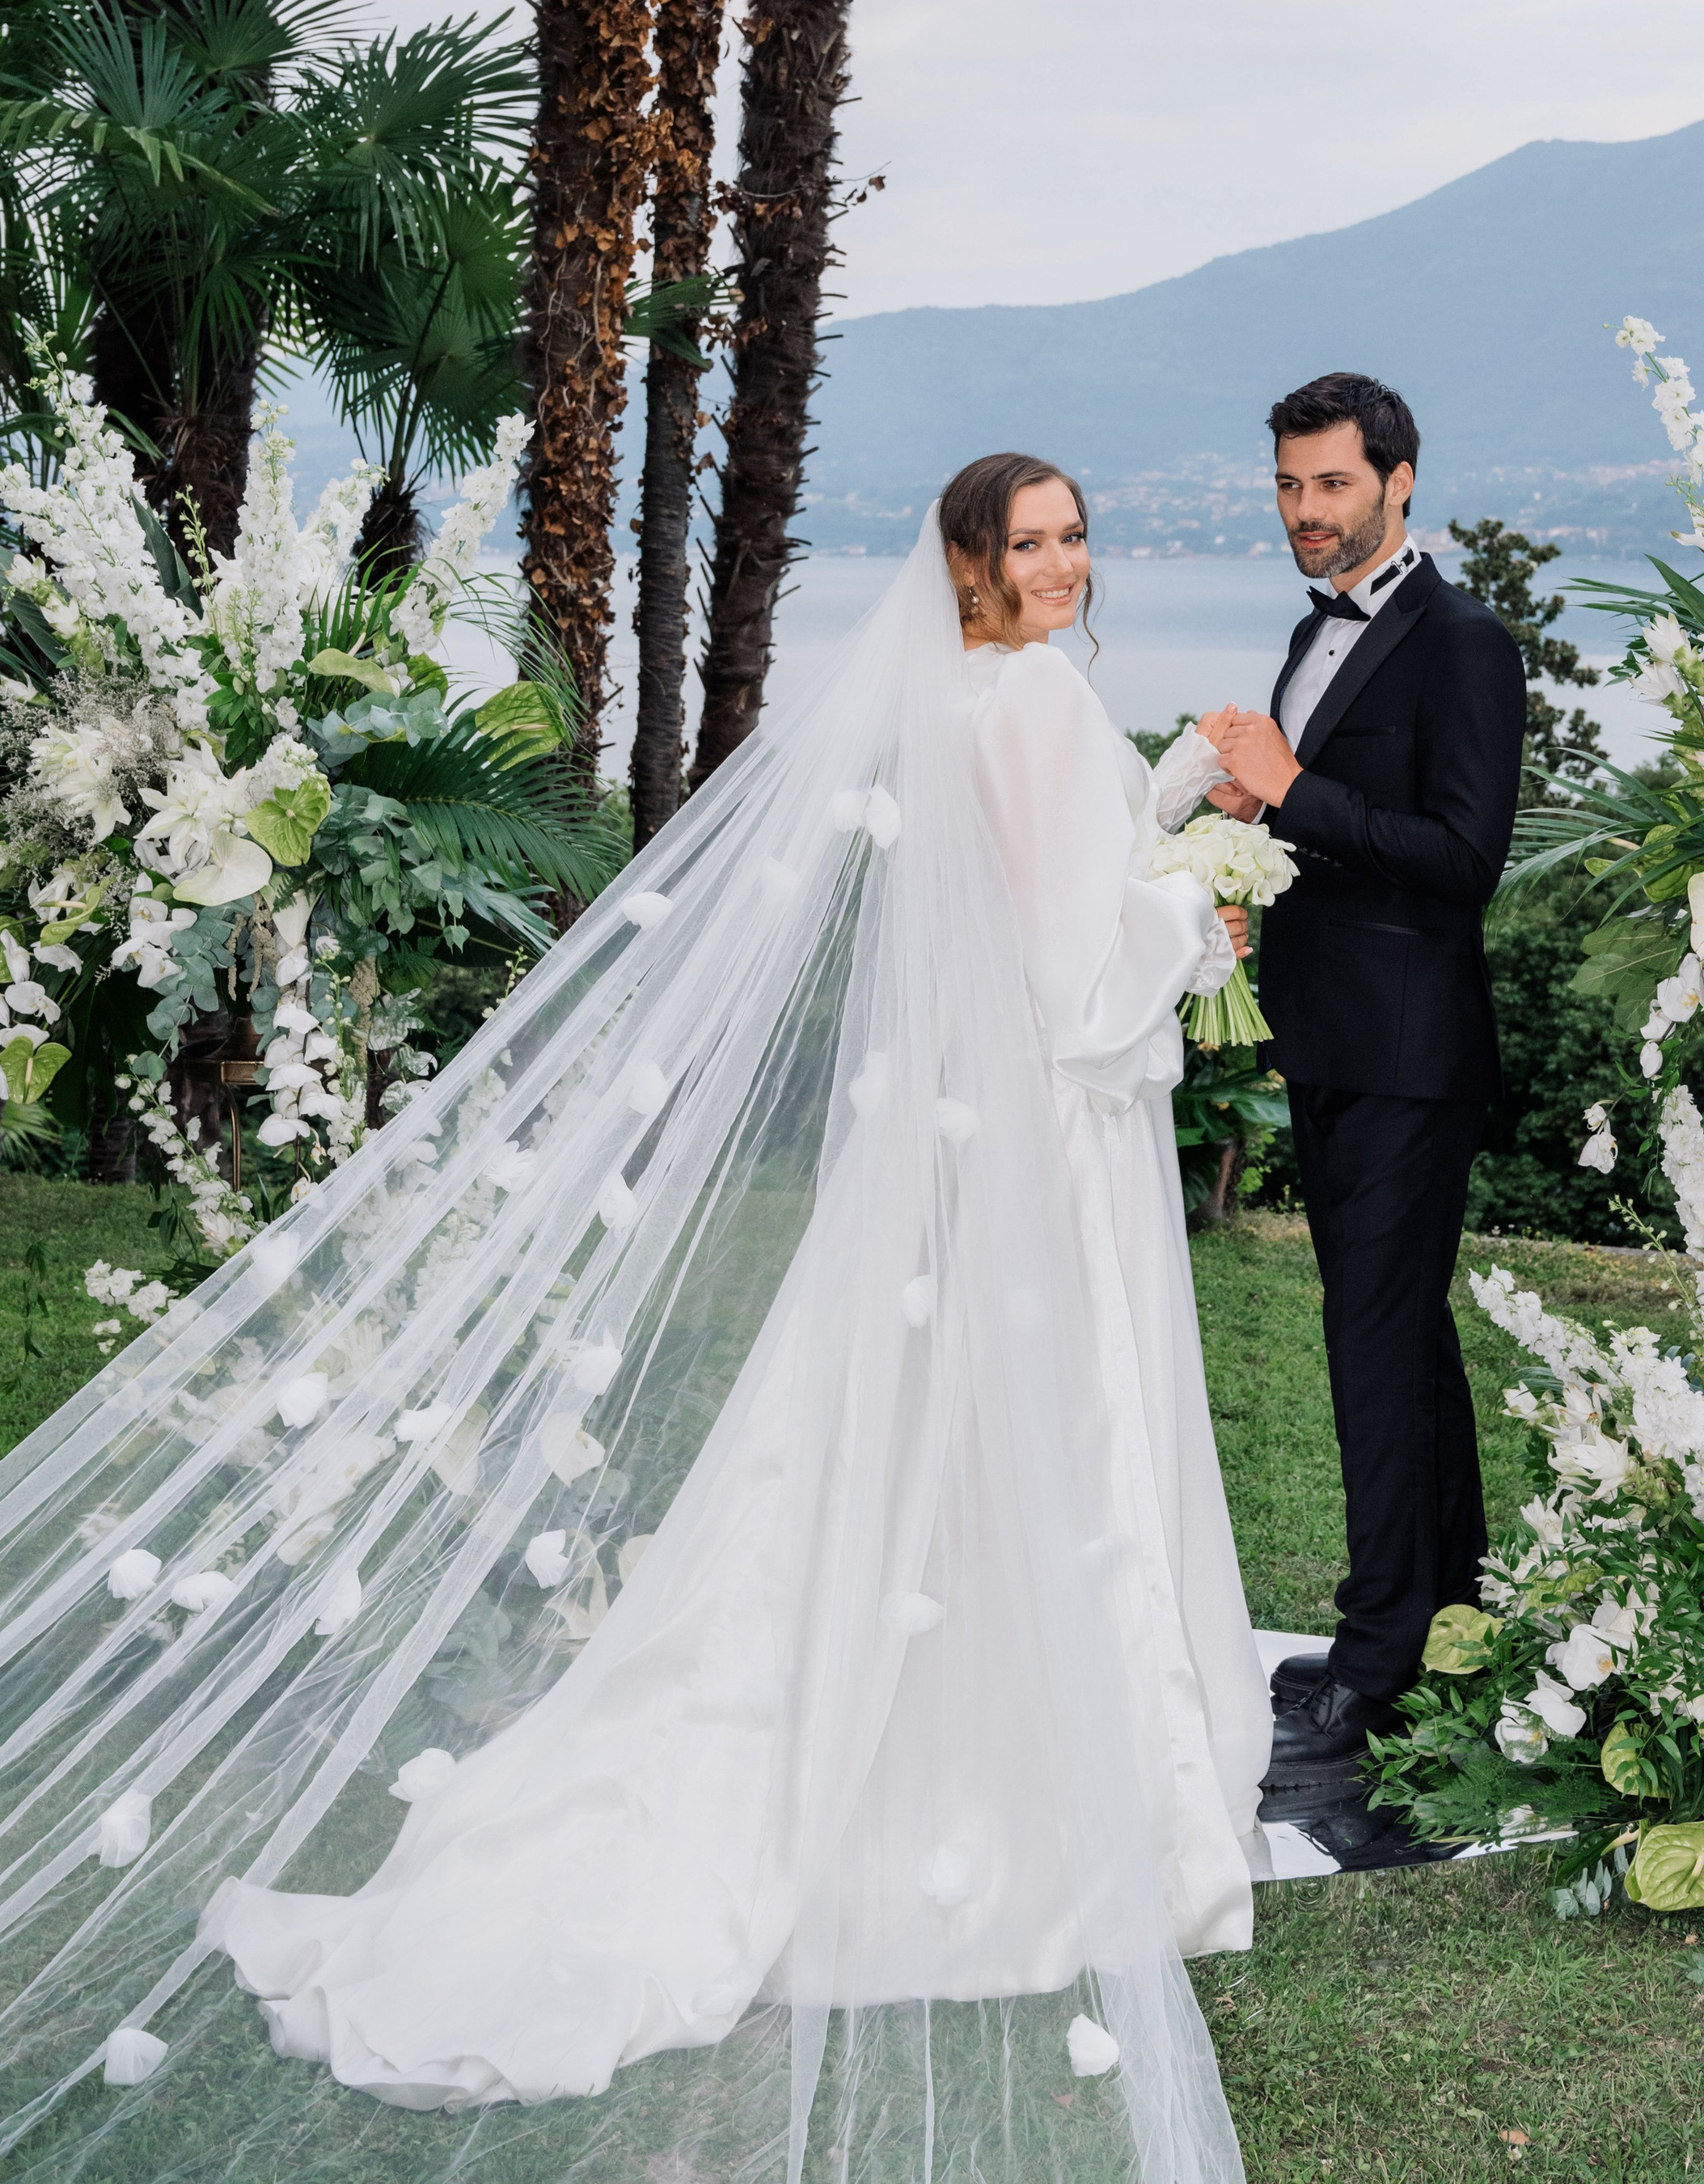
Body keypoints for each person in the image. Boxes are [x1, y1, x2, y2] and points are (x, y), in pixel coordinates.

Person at [0, 459, 1269, 2184]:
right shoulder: (1036, 696)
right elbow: (1070, 976)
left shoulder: (970, 694)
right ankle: (1060, 1797)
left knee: (916, 1447)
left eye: (1071, 538)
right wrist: (1204, 908)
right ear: (969, 564)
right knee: (1055, 1442)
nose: (1061, 566)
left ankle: (959, 1753)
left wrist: (1179, 788)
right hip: (1038, 1148)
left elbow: (1024, 886)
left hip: (954, 1152)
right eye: (1027, 543)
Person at [1208, 373, 1525, 1780]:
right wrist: (1237, 839)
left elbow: (1464, 858)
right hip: (1328, 1045)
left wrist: (1289, 788)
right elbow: (1330, 829)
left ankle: (1382, 1656)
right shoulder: (1308, 631)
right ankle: (1456, 1611)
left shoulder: (1465, 642)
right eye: (1287, 485)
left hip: (1412, 1057)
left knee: (1372, 1346)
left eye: (1329, 485)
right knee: (1402, 1336)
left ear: (1400, 480)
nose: (1305, 514)